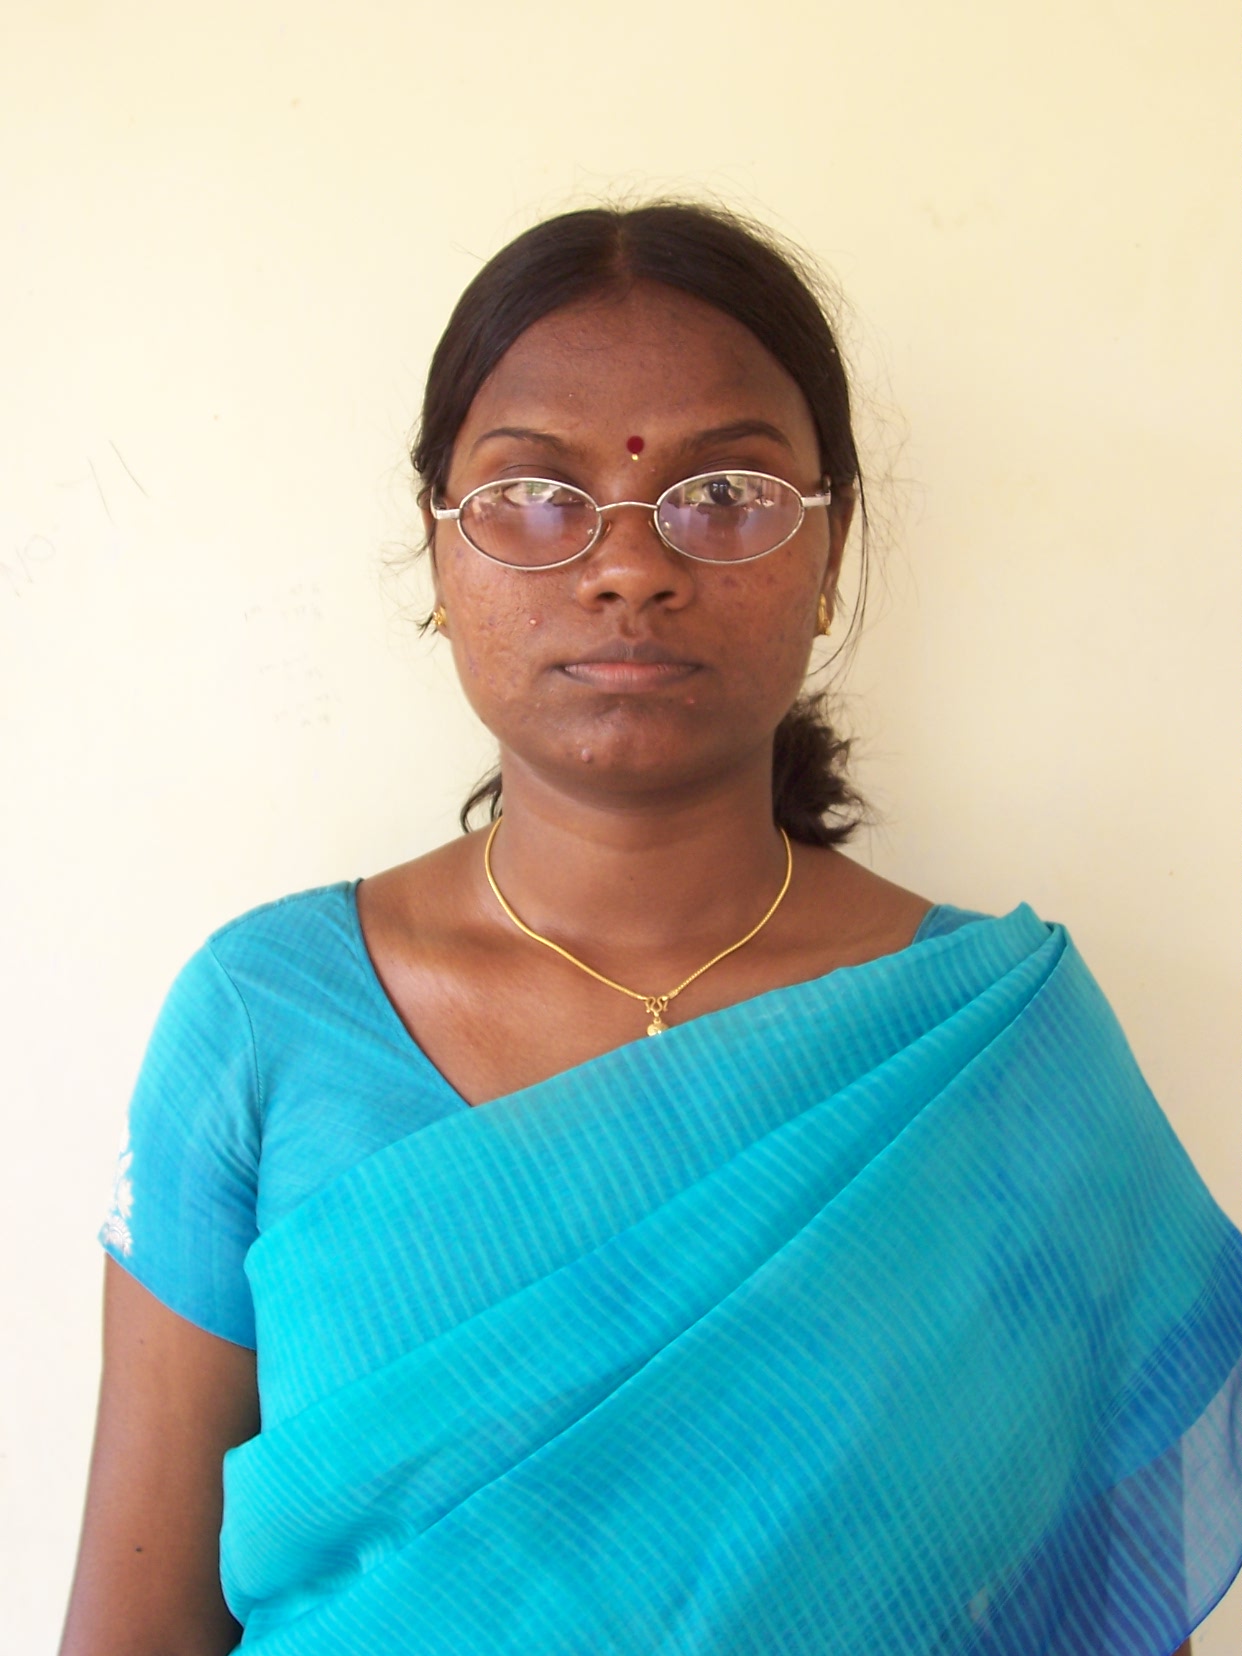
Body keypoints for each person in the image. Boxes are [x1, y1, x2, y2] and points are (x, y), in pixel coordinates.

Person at [60, 202, 1239, 1656]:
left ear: (829, 551)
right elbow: (134, 1624)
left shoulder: (994, 1057)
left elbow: (1098, 1611)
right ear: (438, 554)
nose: (628, 565)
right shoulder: (267, 1018)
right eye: (534, 494)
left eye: (725, 491)